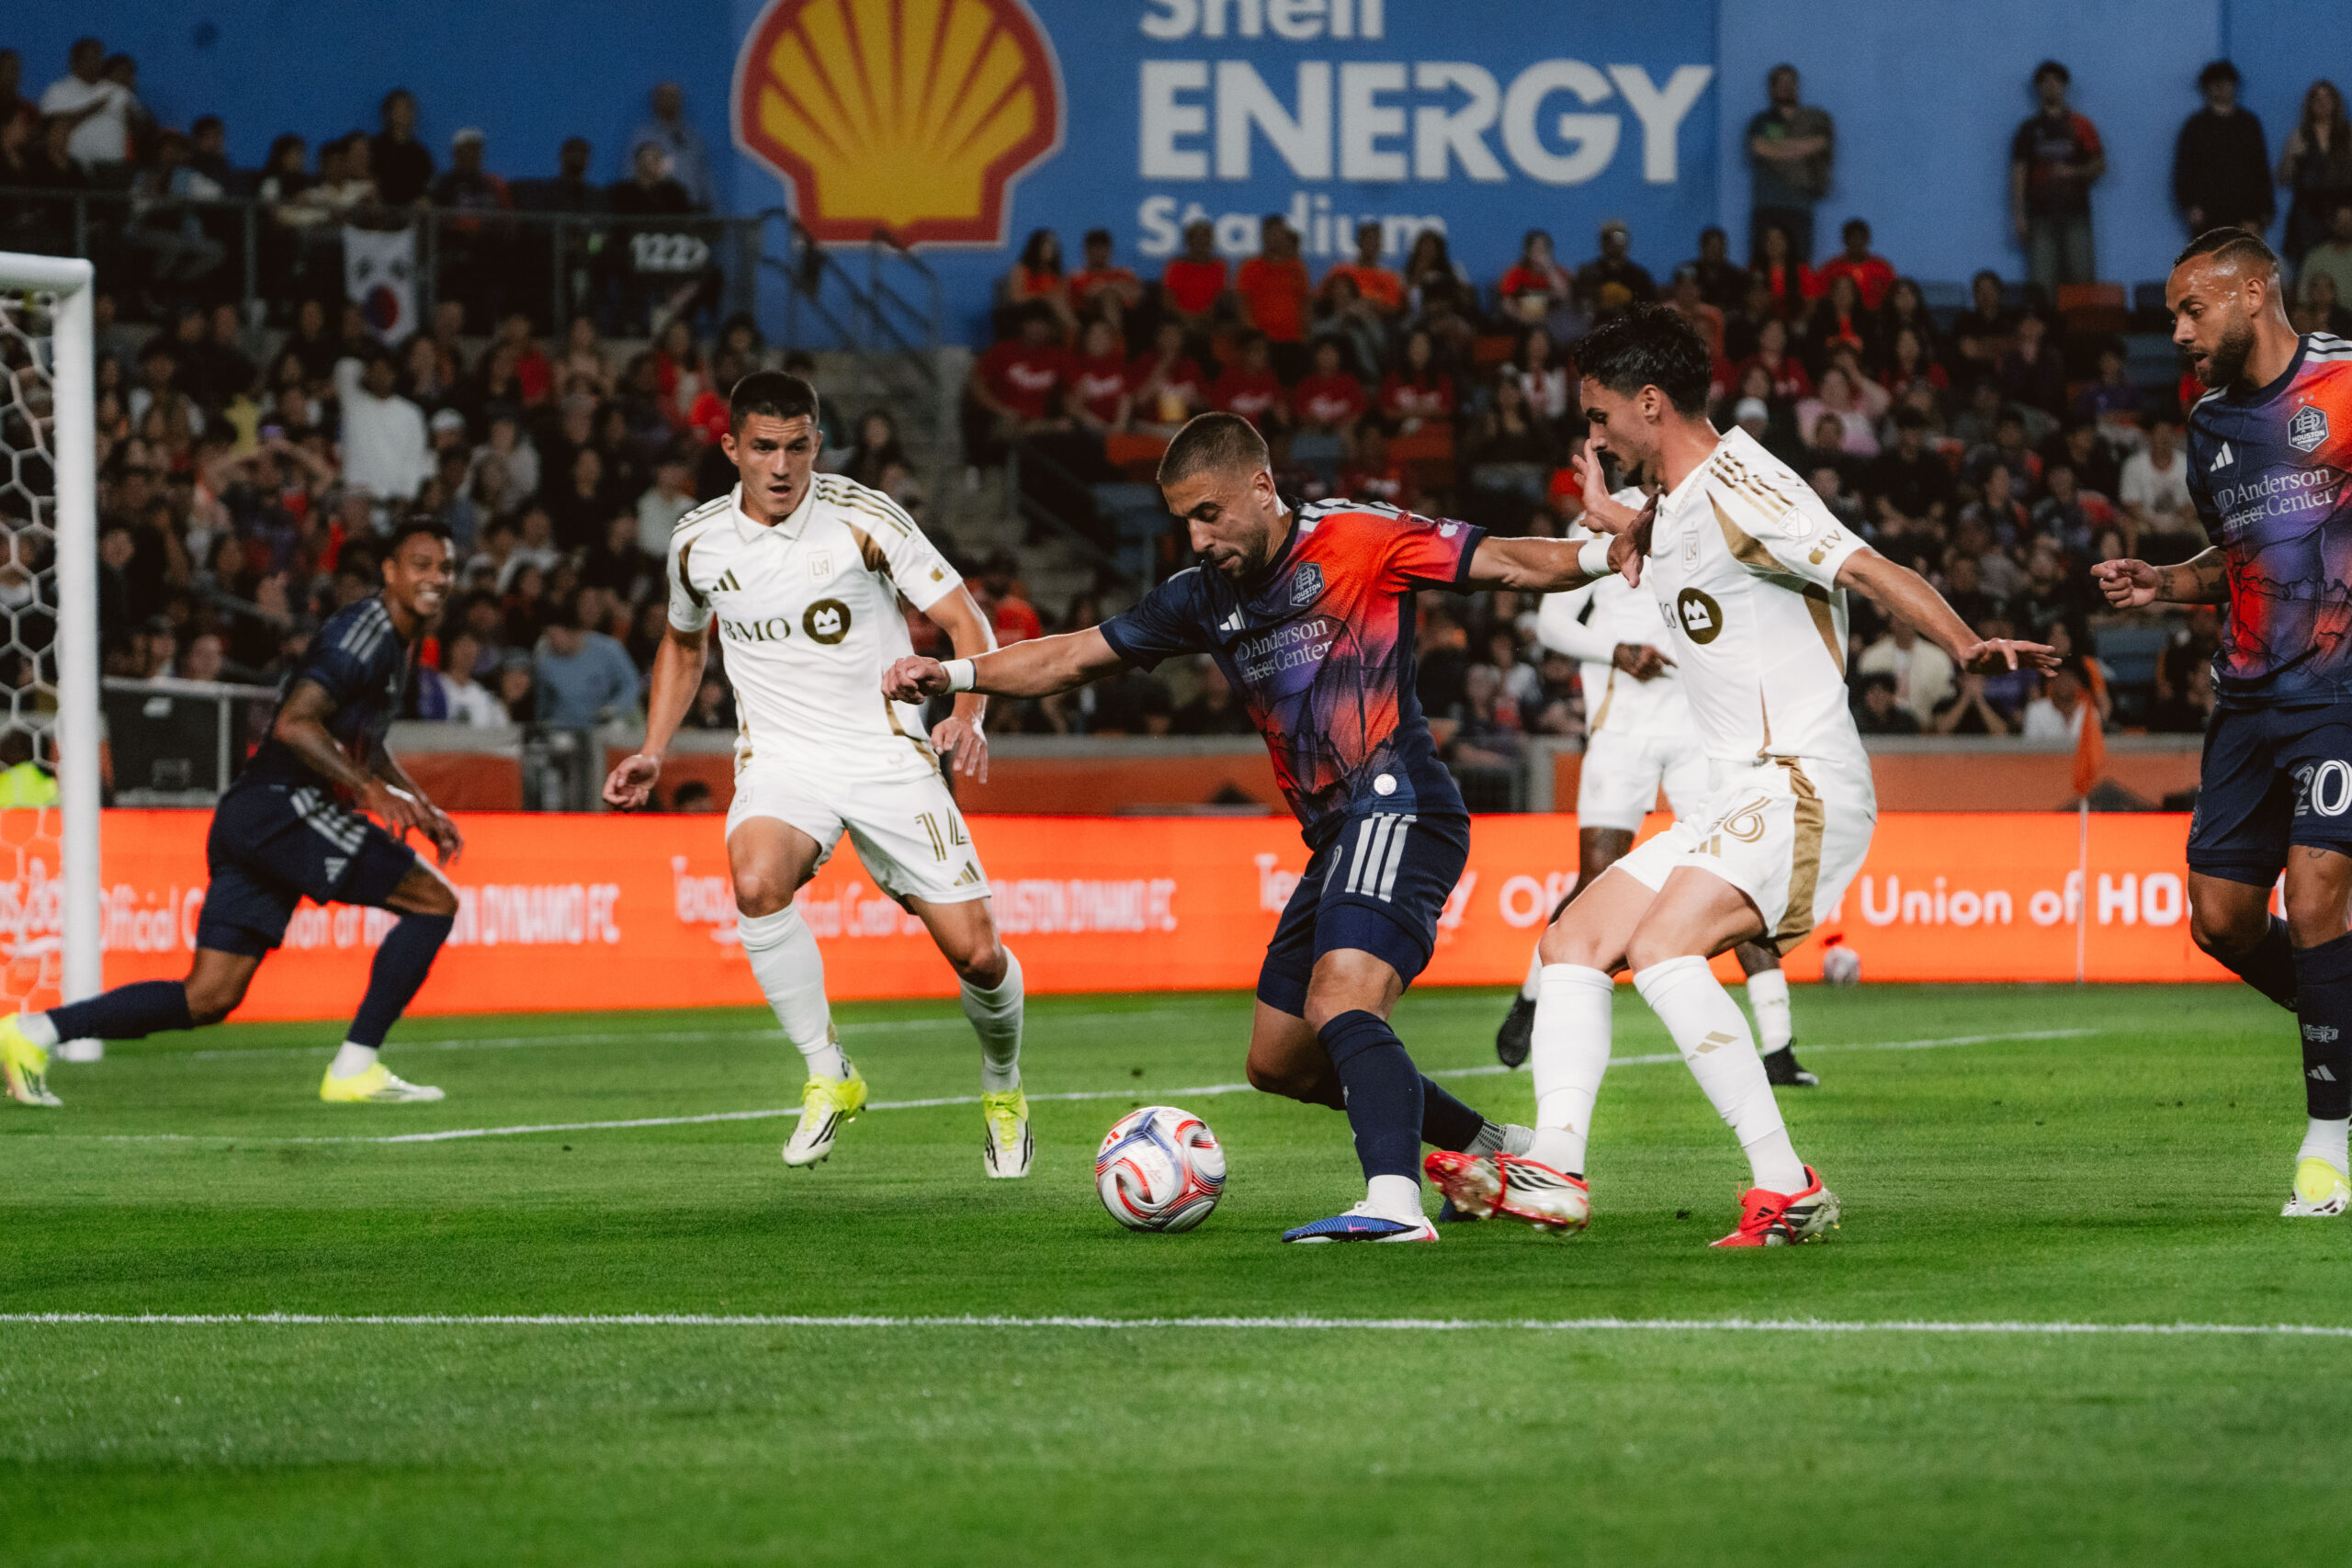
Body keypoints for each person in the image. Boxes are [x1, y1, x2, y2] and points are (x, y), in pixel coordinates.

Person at [882, 412, 1630, 1242]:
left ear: (1263, 486)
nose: (1198, 538)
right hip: (1338, 834)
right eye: (1184, 522)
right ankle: (1501, 1150)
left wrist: (1609, 551)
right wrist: (951, 671)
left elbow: (1508, 563)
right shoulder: (1202, 597)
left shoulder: (1358, 537)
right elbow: (1073, 656)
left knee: (1343, 995)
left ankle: (1393, 1200)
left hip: (1401, 802)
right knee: (1280, 1059)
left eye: (1209, 513)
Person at [1425, 304, 2053, 1246]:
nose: (1591, 436)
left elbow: (1867, 567)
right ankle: (1553, 1165)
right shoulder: (1673, 505)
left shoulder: (1743, 483)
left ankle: (1784, 1182)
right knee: (1570, 942)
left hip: (1802, 781)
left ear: (1648, 403)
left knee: (1664, 949)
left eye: (1600, 417)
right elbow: (1664, 550)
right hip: (1733, 792)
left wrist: (1964, 645)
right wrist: (1614, 520)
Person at [603, 373, 1034, 1178]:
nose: (781, 464)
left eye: (797, 445)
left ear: (816, 445)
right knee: (756, 880)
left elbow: (962, 618)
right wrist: (654, 748)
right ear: (730, 448)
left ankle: (1003, 1087)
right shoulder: (699, 543)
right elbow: (684, 643)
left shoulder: (862, 518)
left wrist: (965, 713)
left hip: (884, 752)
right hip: (783, 758)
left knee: (976, 955)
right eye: (763, 447)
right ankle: (828, 1070)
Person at [1, 522, 465, 1110]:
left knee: (209, 996)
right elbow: (296, 723)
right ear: (391, 573)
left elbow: (360, 740)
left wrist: (417, 804)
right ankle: (355, 1067)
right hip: (285, 807)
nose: (435, 579)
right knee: (434, 900)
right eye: (421, 565)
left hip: (253, 816)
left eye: (445, 568)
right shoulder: (365, 634)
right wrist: (368, 789)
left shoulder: (395, 639)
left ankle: (32, 1032)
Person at [2092, 227, 2352, 1220]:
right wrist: (2165, 580)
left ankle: (2326, 1150)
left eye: (2192, 310)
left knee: (2318, 891)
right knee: (2221, 920)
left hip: (2338, 693)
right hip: (2246, 700)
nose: (2178, 333)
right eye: (2171, 317)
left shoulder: (2339, 384)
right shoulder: (2205, 427)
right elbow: (2239, 559)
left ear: (2254, 292)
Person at [1489, 479, 1815, 1087]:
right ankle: (1534, 997)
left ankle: (1778, 1045)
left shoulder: (1708, 520)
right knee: (1594, 875)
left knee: (1733, 869)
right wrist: (1617, 649)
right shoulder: (1601, 520)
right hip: (1623, 728)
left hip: (1700, 733)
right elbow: (1551, 622)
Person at [2010, 61, 2106, 297]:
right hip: (2040, 217)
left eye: (2056, 82)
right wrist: (2019, 215)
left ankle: (2082, 334)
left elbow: (2100, 165)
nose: (2051, 87)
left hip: (2076, 215)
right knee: (2041, 286)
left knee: (2082, 281)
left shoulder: (2080, 125)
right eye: (2045, 83)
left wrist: (2073, 172)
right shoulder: (2028, 129)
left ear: (2064, 86)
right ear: (2038, 88)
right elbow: (2019, 173)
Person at [1746, 63, 1835, 265]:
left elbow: (1822, 143)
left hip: (1800, 207)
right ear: (1771, 87)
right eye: (1781, 82)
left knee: (1801, 266)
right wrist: (1803, 148)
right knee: (1762, 265)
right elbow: (1760, 148)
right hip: (1767, 206)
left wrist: (1778, 149)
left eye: (1790, 82)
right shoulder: (1762, 121)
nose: (1786, 87)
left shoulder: (1814, 119)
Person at [2174, 62, 2273, 239]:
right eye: (2215, 83)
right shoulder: (2195, 126)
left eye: (2226, 82)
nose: (2221, 87)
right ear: (2207, 88)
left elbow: (2260, 168)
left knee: (2246, 263)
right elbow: (2183, 169)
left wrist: (2263, 211)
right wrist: (2190, 205)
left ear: (2234, 86)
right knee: (2209, 264)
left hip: (2246, 211)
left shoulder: (2249, 124)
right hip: (2207, 213)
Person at [2278, 81, 2352, 267]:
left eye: (2327, 98)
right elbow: (2283, 178)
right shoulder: (2300, 135)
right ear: (2309, 105)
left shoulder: (2348, 134)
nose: (2322, 103)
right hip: (2308, 215)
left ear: (2336, 102)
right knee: (2311, 267)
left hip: (2343, 211)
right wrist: (2291, 157)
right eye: (2317, 98)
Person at [630, 82, 714, 211]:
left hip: (690, 210)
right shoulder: (642, 136)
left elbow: (705, 177)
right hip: (652, 211)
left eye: (674, 96)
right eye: (664, 96)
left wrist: (714, 210)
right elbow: (630, 172)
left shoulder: (692, 138)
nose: (669, 101)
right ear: (655, 101)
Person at [370, 88, 433, 209]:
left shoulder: (420, 154)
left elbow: (425, 186)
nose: (403, 113)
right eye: (399, 107)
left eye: (407, 108)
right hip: (378, 214)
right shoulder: (375, 147)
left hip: (409, 218)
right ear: (388, 112)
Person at [1814, 219, 1894, 311]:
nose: (1857, 241)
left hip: (1875, 319)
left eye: (1861, 237)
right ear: (1844, 240)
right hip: (1839, 319)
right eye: (1852, 237)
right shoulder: (1831, 268)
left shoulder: (1882, 268)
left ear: (1868, 240)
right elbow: (1818, 296)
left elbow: (1893, 296)